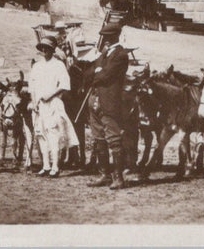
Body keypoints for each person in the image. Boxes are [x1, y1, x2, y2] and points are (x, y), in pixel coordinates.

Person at [84, 21, 130, 190]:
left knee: (113, 139)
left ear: (113, 37)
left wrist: (98, 71)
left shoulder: (120, 55)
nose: (104, 40)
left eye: (107, 37)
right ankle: (104, 175)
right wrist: (97, 70)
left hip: (110, 103)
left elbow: (107, 76)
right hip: (95, 102)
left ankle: (118, 177)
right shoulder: (103, 55)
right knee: (99, 138)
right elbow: (88, 75)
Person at [28, 36, 80, 177]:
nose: (44, 51)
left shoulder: (58, 65)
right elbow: (32, 86)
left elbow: (64, 85)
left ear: (52, 50)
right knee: (40, 134)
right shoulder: (37, 66)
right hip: (39, 106)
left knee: (53, 134)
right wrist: (34, 102)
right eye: (42, 48)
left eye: (48, 48)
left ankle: (55, 166)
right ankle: (45, 165)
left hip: (53, 104)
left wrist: (50, 95)